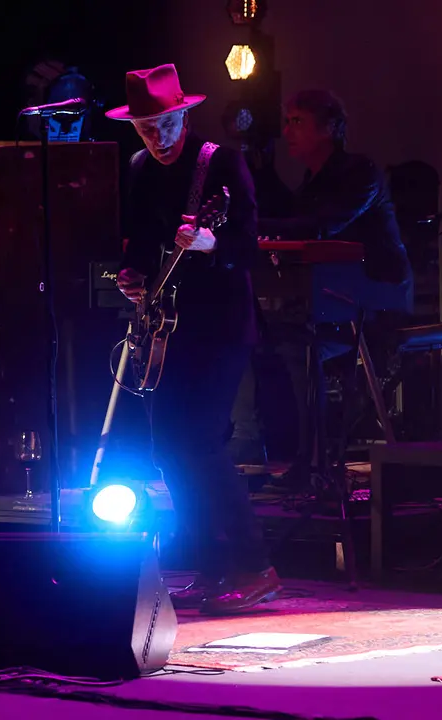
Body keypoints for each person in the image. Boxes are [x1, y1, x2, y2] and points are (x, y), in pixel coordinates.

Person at [108, 64, 280, 614]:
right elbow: (136, 243)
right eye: (144, 127)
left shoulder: (220, 163)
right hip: (166, 329)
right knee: (168, 449)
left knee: (201, 443)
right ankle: (212, 567)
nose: (155, 138)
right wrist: (130, 278)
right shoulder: (138, 167)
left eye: (163, 124)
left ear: (184, 113)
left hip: (219, 326)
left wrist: (212, 244)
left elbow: (249, 246)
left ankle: (256, 568)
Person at [229, 90, 414, 474]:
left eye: (297, 121)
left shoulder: (360, 172)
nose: (287, 130)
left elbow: (324, 227)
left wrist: (252, 228)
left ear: (329, 127)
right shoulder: (311, 182)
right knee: (248, 333)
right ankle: (250, 445)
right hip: (330, 296)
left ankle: (308, 457)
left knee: (298, 344)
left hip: (373, 296)